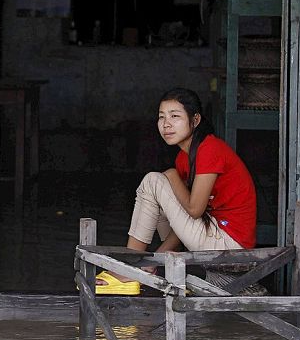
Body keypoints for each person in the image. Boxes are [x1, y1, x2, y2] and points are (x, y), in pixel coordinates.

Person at [95, 88, 256, 295]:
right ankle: (139, 266)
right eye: (161, 117)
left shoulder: (210, 149)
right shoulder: (183, 157)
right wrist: (155, 260)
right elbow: (183, 217)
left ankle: (128, 267)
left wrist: (171, 175)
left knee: (154, 181)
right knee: (159, 192)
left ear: (195, 120)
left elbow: (195, 210)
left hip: (230, 245)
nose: (166, 124)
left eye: (175, 116)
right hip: (211, 235)